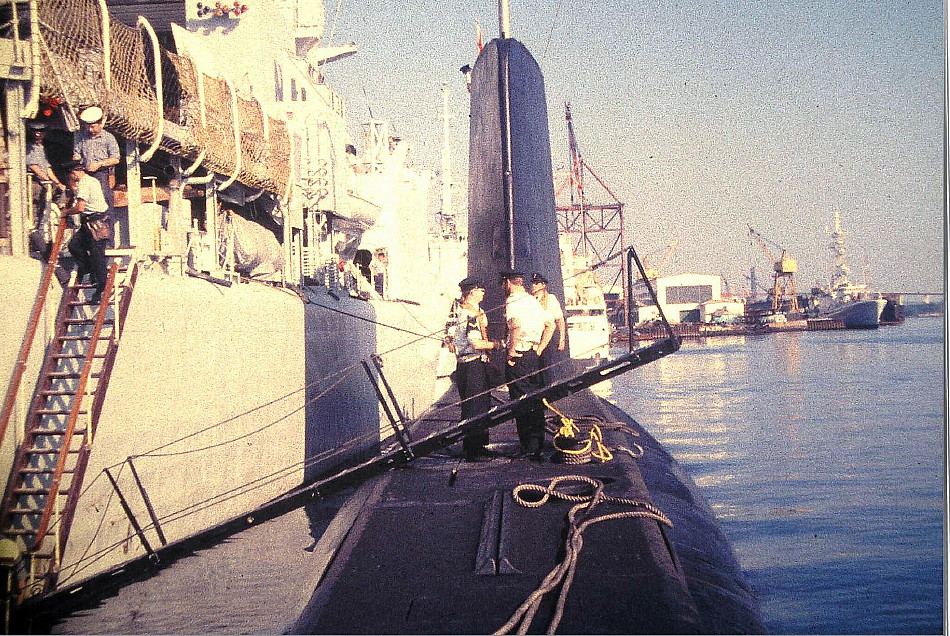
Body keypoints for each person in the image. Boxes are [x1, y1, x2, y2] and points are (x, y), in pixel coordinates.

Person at [501, 270, 554, 461]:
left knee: (521, 401)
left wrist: (511, 350)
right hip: (533, 356)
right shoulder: (533, 300)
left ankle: (528, 447)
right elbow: (551, 325)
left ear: (507, 283)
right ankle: (537, 443)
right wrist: (539, 349)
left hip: (520, 356)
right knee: (535, 398)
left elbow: (514, 325)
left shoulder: (513, 300)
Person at [447, 277, 501, 461]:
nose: (483, 292)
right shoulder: (468, 314)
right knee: (473, 407)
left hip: (477, 363)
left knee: (482, 405)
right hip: (471, 365)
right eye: (480, 290)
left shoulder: (477, 311)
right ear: (471, 292)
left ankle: (480, 445)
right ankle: (472, 451)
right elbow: (475, 342)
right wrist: (497, 344)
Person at [73, 106, 120, 245]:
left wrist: (100, 164)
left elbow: (116, 158)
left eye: (93, 126)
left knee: (104, 205)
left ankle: (107, 240)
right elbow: (76, 154)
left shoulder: (108, 138)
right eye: (88, 127)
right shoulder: (81, 137)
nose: (90, 130)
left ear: (100, 124)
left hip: (101, 174)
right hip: (86, 174)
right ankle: (89, 238)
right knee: (84, 204)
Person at [64, 162, 110, 304]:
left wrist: (65, 212)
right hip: (89, 222)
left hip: (95, 223)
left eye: (71, 175)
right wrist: (72, 183)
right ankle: (88, 269)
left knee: (97, 256)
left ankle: (101, 288)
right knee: (74, 246)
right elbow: (76, 193)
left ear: (74, 172)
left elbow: (80, 207)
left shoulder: (84, 183)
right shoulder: (91, 180)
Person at [531, 272, 566, 382]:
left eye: (536, 283)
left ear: (543, 285)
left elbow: (559, 319)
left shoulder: (551, 299)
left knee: (547, 366)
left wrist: (561, 339)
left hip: (549, 337)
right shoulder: (530, 300)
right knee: (536, 367)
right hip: (535, 337)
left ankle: (549, 390)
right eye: (533, 283)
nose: (533, 285)